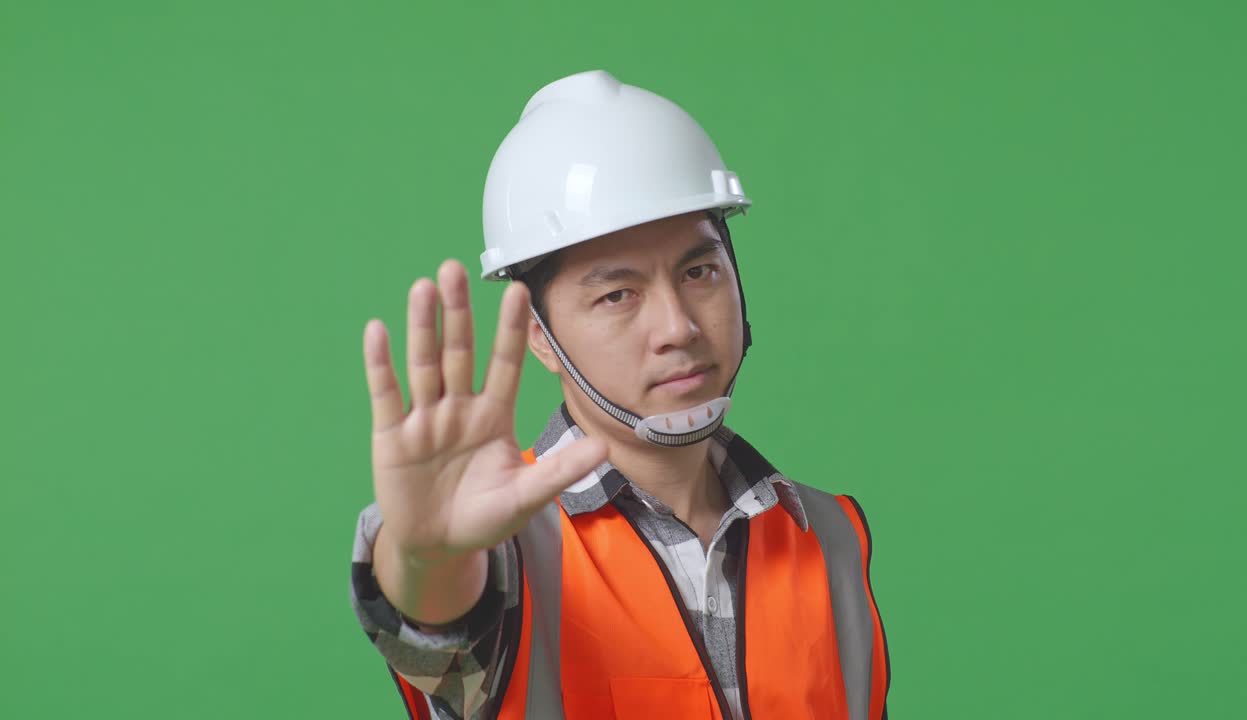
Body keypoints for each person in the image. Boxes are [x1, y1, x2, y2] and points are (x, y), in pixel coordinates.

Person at [350, 69, 890, 720]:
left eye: (699, 272)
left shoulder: (829, 534)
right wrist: (424, 554)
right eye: (617, 295)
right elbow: (433, 616)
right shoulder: (501, 550)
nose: (678, 327)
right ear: (539, 337)